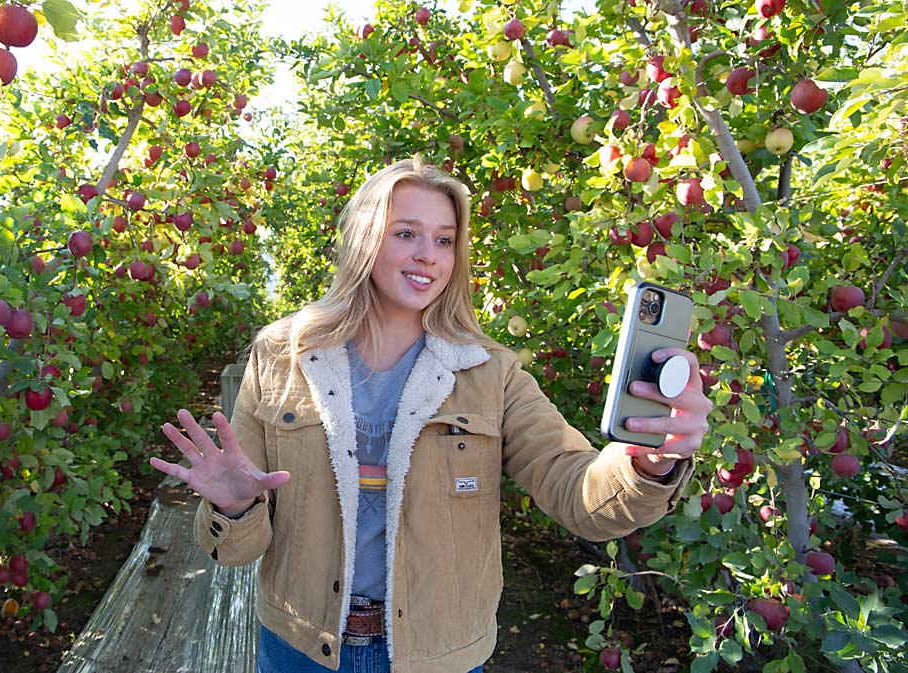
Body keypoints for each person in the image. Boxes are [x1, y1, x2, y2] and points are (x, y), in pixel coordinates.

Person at [148, 156, 712, 673]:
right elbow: (237, 549)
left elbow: (575, 490)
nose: (428, 255)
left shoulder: (488, 372)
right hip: (301, 645)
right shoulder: (284, 355)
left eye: (445, 241)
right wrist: (236, 503)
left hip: (436, 653)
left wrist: (649, 462)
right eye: (406, 234)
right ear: (366, 240)